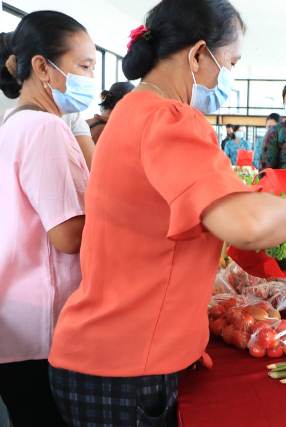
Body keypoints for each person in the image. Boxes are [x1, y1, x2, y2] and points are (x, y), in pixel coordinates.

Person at [47, 1, 286, 425]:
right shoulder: (170, 118)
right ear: (198, 55)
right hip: (126, 367)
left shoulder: (133, 109)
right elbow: (247, 226)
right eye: (231, 62)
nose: (230, 77)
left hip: (105, 352)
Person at [0, 11, 95, 426]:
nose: (90, 78)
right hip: (43, 328)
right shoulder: (45, 129)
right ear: (42, 67)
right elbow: (68, 235)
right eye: (85, 66)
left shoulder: (15, 124)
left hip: (17, 317)